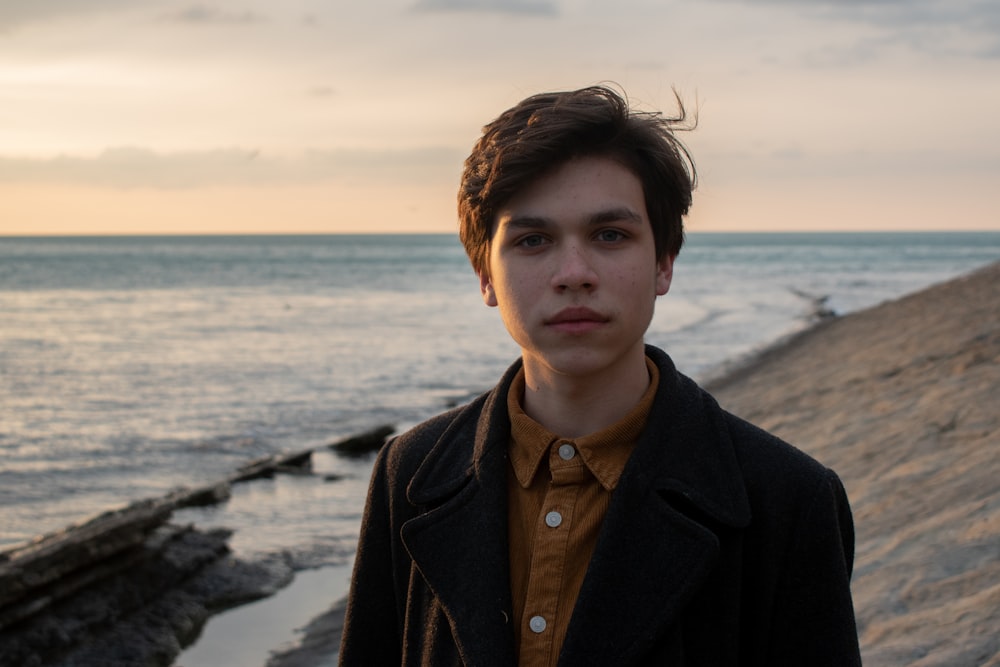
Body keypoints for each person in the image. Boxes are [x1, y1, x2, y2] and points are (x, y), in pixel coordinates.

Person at [338, 85, 861, 666]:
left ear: (663, 261)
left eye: (610, 235)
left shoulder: (788, 498)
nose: (574, 273)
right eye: (532, 240)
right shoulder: (409, 473)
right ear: (484, 274)